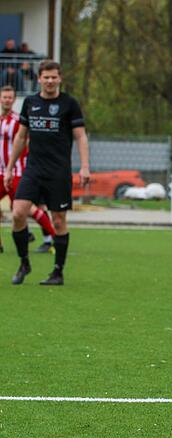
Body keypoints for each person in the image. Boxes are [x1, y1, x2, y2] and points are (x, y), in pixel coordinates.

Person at [3, 61, 90, 286]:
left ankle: (57, 272)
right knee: (18, 213)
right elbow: (21, 136)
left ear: (60, 78)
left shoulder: (69, 104)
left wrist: (84, 166)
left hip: (58, 172)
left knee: (59, 221)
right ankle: (24, 262)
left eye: (53, 77)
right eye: (46, 77)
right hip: (33, 170)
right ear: (39, 79)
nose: (50, 81)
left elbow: (80, 136)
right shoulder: (31, 102)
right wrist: (10, 168)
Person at [0, 85, 57, 254]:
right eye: (4, 97)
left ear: (14, 100)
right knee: (26, 209)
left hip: (17, 172)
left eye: (10, 97)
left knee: (30, 209)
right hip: (1, 172)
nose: (7, 100)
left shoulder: (19, 120)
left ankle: (55, 238)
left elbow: (28, 141)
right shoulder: (0, 120)